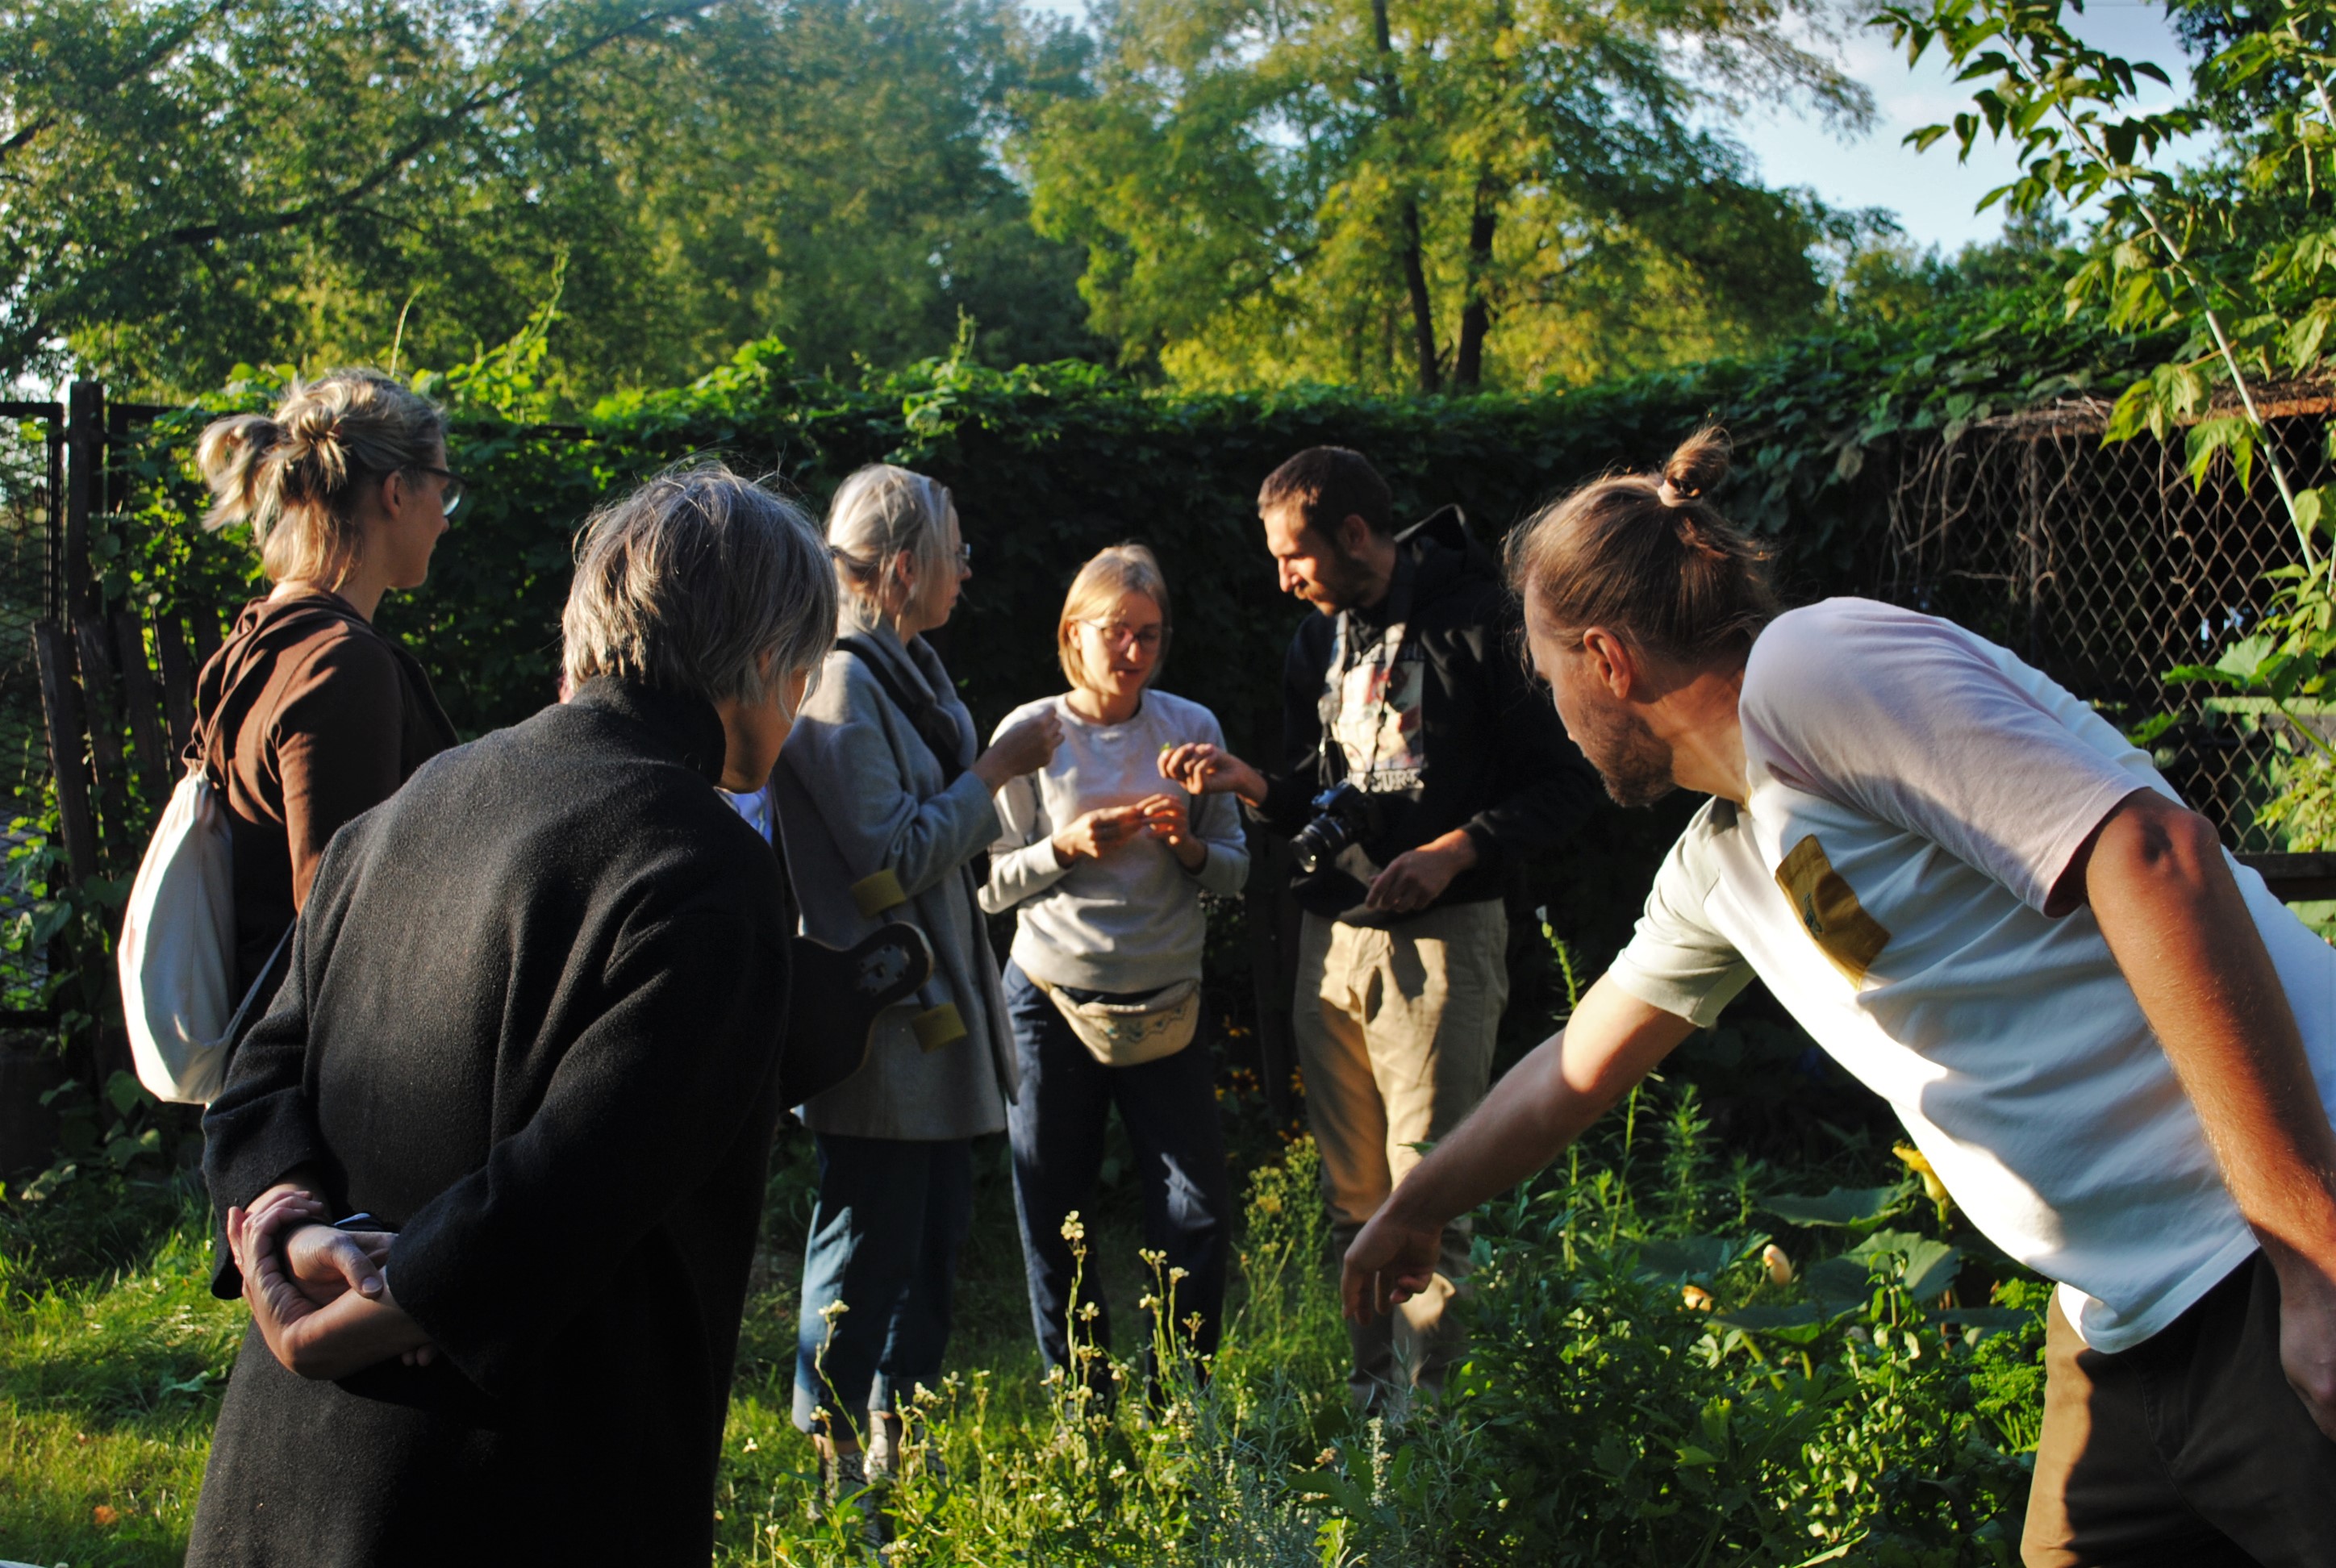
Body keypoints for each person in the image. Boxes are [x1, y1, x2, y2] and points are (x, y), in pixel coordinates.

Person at [1341, 428, 2336, 1566]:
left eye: (1548, 673)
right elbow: (1573, 1068)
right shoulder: (1723, 863)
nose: (1554, 713)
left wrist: (2311, 1251)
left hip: (2265, 1258)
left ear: (1608, 660)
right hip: (2125, 1321)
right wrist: (1414, 1206)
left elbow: (2154, 857)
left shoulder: (1815, 670)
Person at [190, 465, 837, 1564]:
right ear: (769, 659)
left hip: (283, 1484)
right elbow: (581, 1179)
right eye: (807, 673)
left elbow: (255, 1072)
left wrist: (285, 1236)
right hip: (509, 1487)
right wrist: (355, 1321)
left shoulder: (412, 805)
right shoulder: (706, 864)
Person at [1161, 446, 1600, 1415]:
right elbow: (1321, 792)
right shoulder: (1314, 643)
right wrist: (1253, 787)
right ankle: (1373, 1405)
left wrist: (1454, 849)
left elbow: (1570, 782)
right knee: (1350, 1195)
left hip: (1445, 939)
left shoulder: (1483, 619)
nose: (1281, 579)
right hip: (1334, 937)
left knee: (1429, 1193)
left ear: (1353, 535)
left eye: (1294, 557)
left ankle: (1429, 1426)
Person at [774, 464, 1061, 1499]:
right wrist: (996, 771)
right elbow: (884, 861)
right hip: (882, 1022)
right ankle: (832, 1457)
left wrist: (984, 771)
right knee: (867, 1242)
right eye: (955, 555)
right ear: (902, 570)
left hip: (931, 1015)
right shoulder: (842, 682)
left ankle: (900, 1430)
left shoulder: (910, 668)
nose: (968, 573)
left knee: (931, 1237)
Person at [980, 544, 1247, 1397]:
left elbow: (1237, 869)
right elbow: (985, 883)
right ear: (1072, 633)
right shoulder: (1032, 733)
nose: (1133, 652)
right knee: (1055, 1213)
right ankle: (1084, 1406)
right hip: (1050, 997)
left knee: (1197, 1210)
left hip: (1165, 999)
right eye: (1115, 632)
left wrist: (1187, 844)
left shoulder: (1190, 727)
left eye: (1149, 636)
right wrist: (1064, 847)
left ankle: (1182, 1399)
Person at [191, 369, 460, 1000]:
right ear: (396, 492)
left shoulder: (256, 643)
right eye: (444, 493)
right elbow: (344, 927)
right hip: (319, 1079)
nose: (447, 521)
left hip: (258, 1060)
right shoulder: (340, 665)